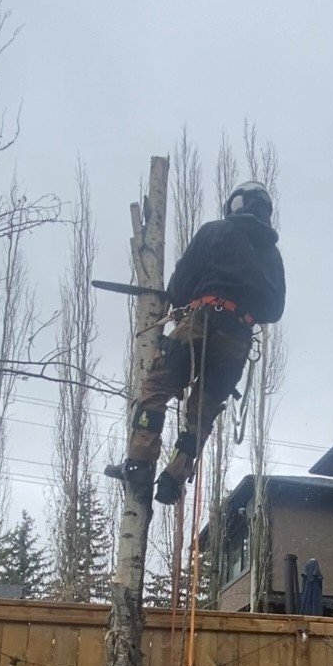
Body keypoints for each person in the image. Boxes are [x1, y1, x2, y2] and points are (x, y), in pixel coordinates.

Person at [105, 180, 285, 508]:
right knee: (201, 413)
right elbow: (274, 309)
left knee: (157, 388)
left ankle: (140, 465)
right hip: (237, 342)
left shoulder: (217, 232)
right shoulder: (272, 256)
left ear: (236, 205)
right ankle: (174, 478)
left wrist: (188, 298)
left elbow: (180, 283)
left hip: (203, 321)